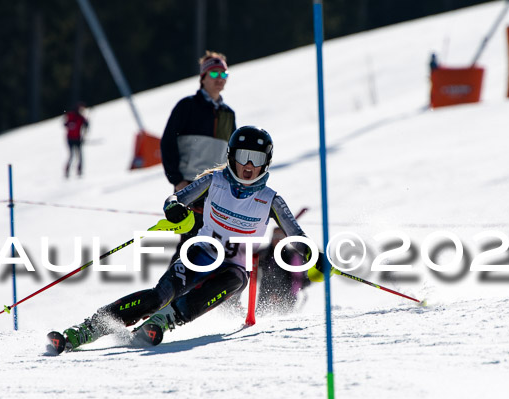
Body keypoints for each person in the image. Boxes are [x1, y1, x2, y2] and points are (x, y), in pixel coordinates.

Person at [47, 126, 332, 354]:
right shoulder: (215, 181)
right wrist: (173, 207)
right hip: (199, 254)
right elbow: (177, 198)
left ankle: (164, 321)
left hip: (232, 265)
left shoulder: (270, 200)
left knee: (236, 279)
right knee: (158, 296)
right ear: (231, 156)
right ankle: (85, 330)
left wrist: (314, 256)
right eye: (243, 156)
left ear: (265, 163)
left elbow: (296, 234)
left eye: (256, 159)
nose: (248, 165)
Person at [160, 51, 237, 260]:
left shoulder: (227, 114)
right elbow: (167, 143)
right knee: (190, 243)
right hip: (190, 186)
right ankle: (170, 289)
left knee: (217, 244)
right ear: (203, 77)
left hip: (218, 188)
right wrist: (177, 180)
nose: (219, 78)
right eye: (213, 73)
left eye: (223, 74)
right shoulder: (187, 106)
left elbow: (232, 155)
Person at [63, 102, 89, 178]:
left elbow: (86, 126)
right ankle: (67, 171)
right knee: (72, 155)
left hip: (78, 138)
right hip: (70, 139)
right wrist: (70, 124)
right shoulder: (71, 115)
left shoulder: (81, 117)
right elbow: (65, 124)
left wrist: (87, 124)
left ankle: (79, 171)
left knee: (80, 156)